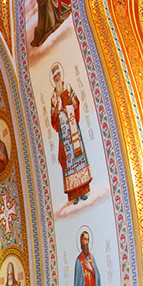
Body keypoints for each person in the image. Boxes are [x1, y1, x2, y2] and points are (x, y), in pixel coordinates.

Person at [50, 62, 92, 204]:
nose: (57, 78)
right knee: (68, 162)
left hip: (72, 127)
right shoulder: (53, 96)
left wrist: (71, 105)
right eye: (54, 77)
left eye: (58, 75)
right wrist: (57, 110)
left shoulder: (67, 87)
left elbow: (76, 102)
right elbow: (52, 118)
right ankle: (74, 195)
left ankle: (84, 190)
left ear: (60, 75)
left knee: (78, 157)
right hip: (64, 133)